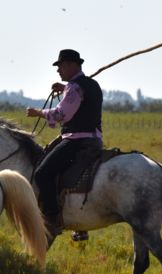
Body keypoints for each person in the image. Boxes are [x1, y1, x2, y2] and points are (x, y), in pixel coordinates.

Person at [26, 49, 103, 245]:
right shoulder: (90, 85)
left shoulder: (75, 87)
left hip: (76, 141)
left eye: (60, 66)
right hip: (94, 140)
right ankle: (80, 225)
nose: (58, 70)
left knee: (42, 173)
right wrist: (65, 87)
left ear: (71, 65)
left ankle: (52, 219)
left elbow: (61, 114)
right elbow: (76, 100)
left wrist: (38, 112)